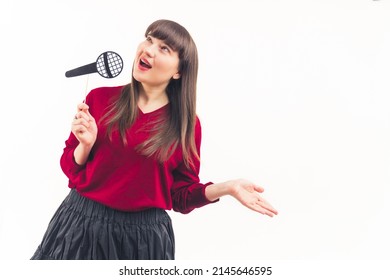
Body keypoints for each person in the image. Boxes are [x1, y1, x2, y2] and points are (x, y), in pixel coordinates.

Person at [31, 19, 278, 260]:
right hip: (81, 226)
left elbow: (181, 195)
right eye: (149, 39)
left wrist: (228, 187)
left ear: (179, 71)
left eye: (164, 48)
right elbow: (71, 169)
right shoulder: (99, 99)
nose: (148, 49)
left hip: (143, 241)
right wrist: (84, 145)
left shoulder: (186, 125)